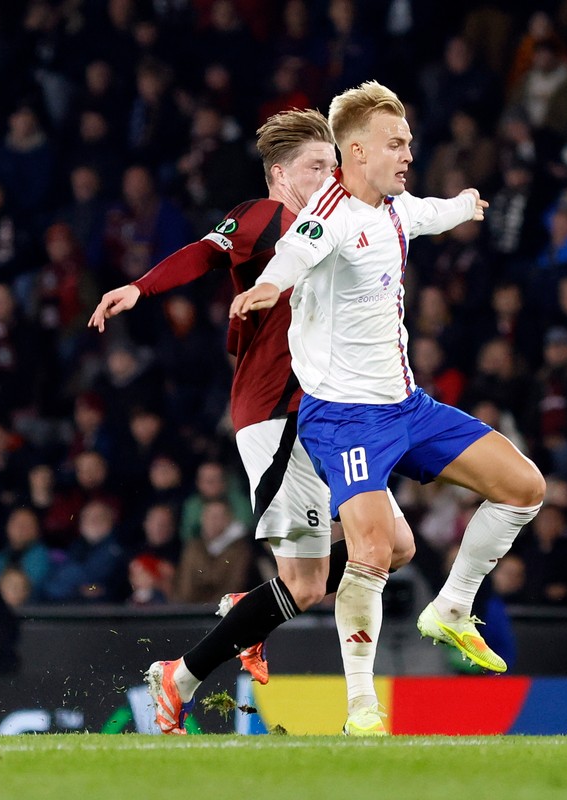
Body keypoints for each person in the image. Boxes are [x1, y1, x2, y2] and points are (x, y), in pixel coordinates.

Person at [231, 81, 545, 736]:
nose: (407, 152)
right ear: (356, 151)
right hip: (344, 418)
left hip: (408, 406)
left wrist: (462, 205)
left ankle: (453, 607)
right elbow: (298, 249)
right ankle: (361, 710)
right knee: (373, 552)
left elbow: (424, 212)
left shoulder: (393, 207)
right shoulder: (333, 211)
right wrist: (266, 286)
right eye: (395, 143)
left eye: (408, 141)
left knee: (524, 486)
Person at [88, 109, 415, 735]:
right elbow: (203, 254)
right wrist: (141, 288)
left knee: (396, 547)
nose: (327, 177)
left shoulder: (335, 224)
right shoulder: (268, 218)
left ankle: (251, 612)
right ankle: (179, 675)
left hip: (329, 415)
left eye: (332, 166)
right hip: (278, 413)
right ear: (279, 174)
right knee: (309, 583)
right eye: (315, 167)